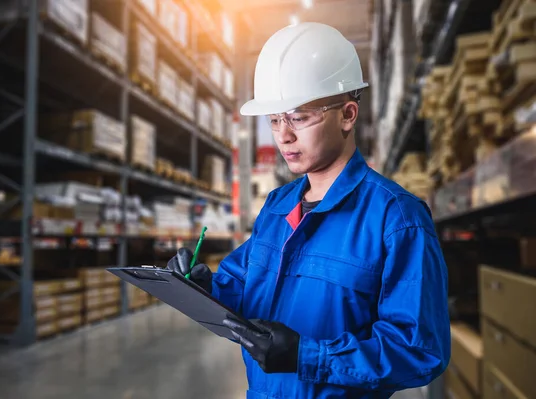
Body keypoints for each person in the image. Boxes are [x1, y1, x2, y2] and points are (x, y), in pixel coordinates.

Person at [168, 22, 450, 398]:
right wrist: (203, 287)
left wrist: (308, 356)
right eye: (274, 120)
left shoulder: (397, 220)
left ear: (348, 115)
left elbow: (419, 350)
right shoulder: (277, 206)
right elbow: (242, 288)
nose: (283, 134)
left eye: (298, 117)